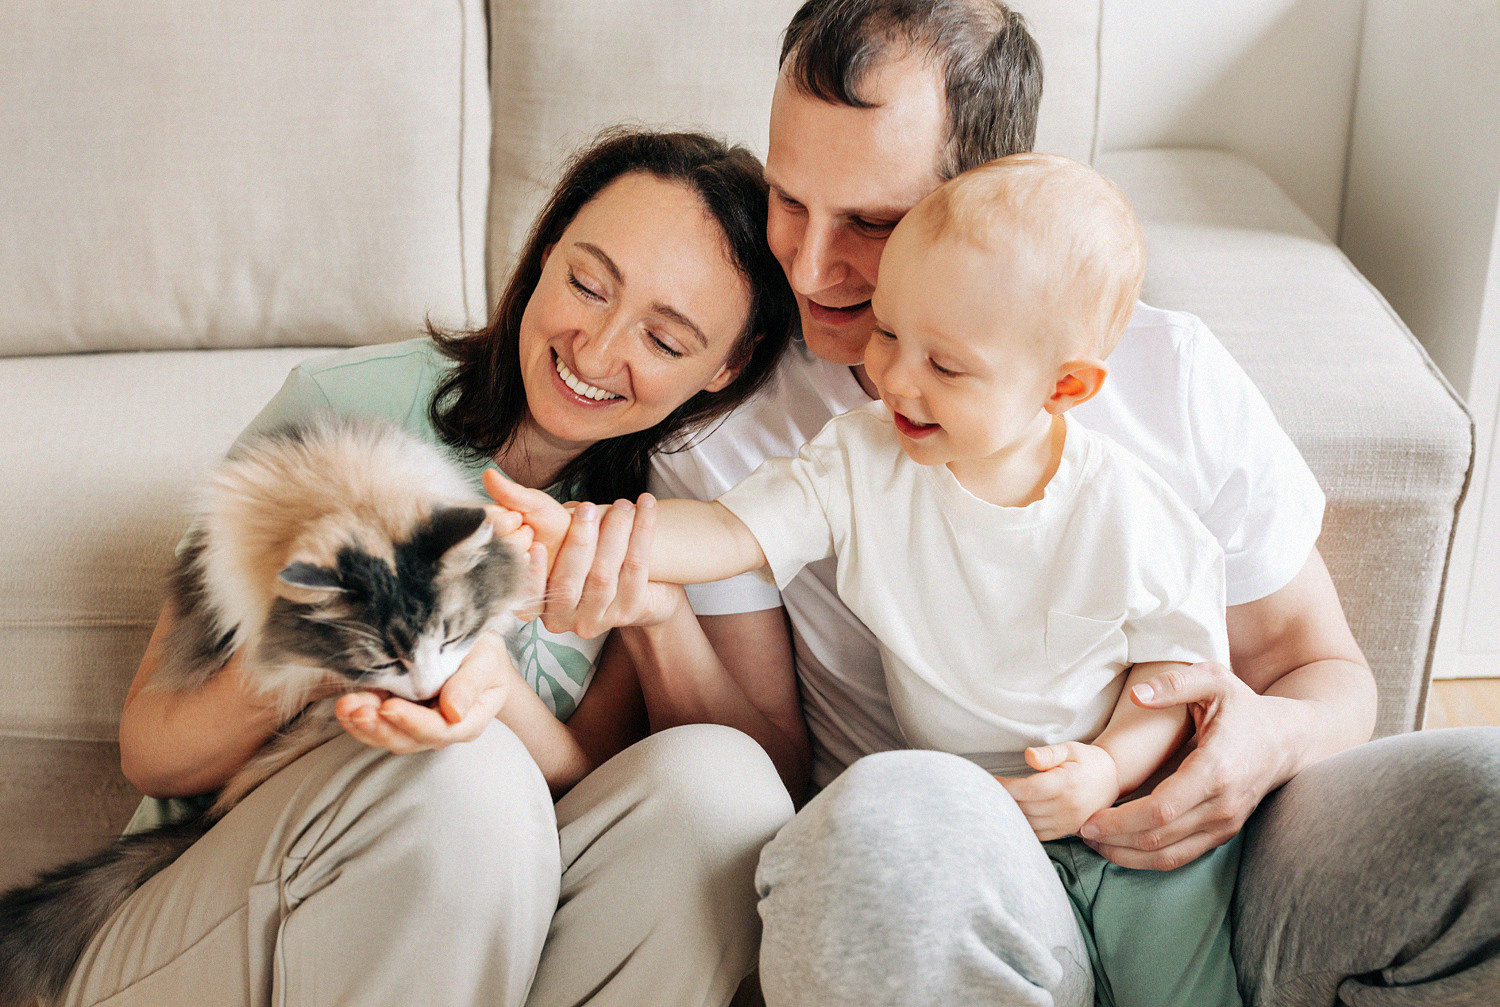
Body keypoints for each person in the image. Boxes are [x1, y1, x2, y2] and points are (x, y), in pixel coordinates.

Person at [502, 2, 1500, 1004]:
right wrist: (614, 556)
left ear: (980, 192)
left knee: (1485, 806)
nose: (806, 265)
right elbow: (766, 758)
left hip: (1204, 844)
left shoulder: (1166, 382)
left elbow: (1324, 671)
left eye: (873, 222)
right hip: (946, 875)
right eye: (789, 197)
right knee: (884, 827)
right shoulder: (739, 419)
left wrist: (1260, 744)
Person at [498, 152, 1246, 1006]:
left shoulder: (1132, 513)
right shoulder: (865, 456)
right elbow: (729, 530)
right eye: (889, 334)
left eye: (946, 365)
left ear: (1064, 386)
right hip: (966, 835)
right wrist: (586, 534)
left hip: (1133, 826)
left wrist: (1107, 772)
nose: (895, 378)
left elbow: (1171, 680)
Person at [82, 128, 800, 1007]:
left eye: (664, 338)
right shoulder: (341, 413)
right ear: (543, 252)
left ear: (727, 366)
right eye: (586, 282)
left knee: (716, 796)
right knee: (468, 776)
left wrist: (646, 618)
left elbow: (581, 785)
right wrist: (329, 651)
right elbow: (151, 749)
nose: (597, 348)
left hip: (464, 939)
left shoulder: (666, 509)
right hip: (209, 920)